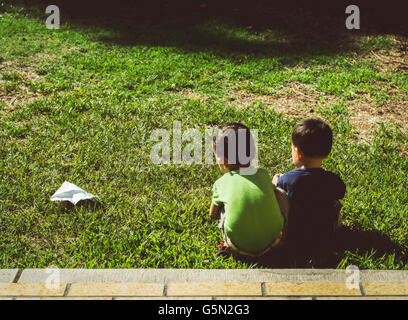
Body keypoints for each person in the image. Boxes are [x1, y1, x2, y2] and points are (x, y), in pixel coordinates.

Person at [209, 123, 287, 259]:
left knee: (222, 207)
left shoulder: (221, 183)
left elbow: (212, 215)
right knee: (279, 193)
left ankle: (227, 246)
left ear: (223, 161)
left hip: (239, 247)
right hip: (276, 242)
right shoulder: (262, 174)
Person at [272, 118, 346, 260]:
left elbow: (279, 194)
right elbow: (340, 192)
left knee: (280, 197)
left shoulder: (287, 179)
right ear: (327, 152)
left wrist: (276, 182)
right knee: (335, 203)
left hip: (294, 235)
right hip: (325, 235)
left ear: (298, 152)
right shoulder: (332, 180)